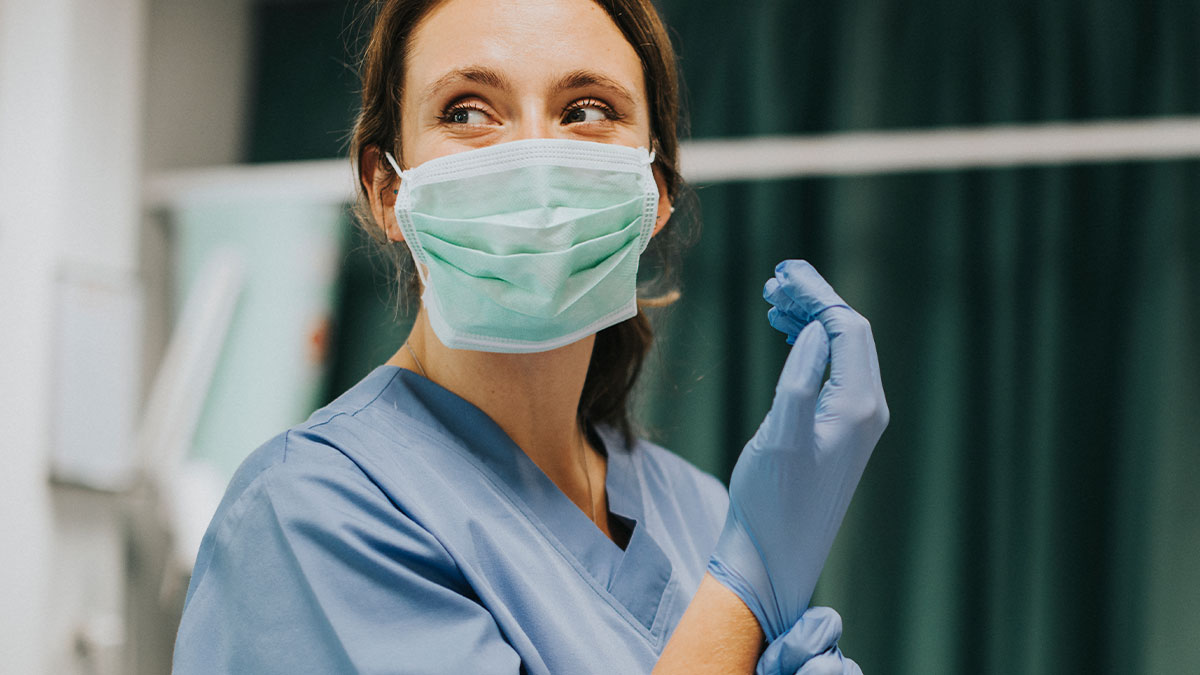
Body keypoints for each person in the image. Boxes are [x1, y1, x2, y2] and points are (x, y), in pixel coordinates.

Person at [171, 0, 888, 673]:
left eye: (586, 110)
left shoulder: (700, 512)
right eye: (469, 110)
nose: (536, 161)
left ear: (657, 190)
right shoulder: (309, 515)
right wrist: (746, 588)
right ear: (388, 190)